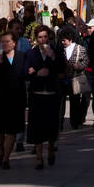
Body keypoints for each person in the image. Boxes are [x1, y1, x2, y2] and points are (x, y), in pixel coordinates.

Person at [0, 30, 29, 171]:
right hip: (0, 98)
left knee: (11, 130)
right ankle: (0, 148)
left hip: (16, 98)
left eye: (7, 41)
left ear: (14, 43)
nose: (4, 44)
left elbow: (25, 74)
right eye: (2, 42)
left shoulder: (22, 56)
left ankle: (6, 158)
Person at [26, 25, 65, 169]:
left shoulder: (56, 51)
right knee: (37, 126)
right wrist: (36, 73)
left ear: (49, 38)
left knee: (51, 125)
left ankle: (50, 150)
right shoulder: (31, 53)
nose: (43, 40)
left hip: (52, 93)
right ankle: (38, 157)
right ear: (36, 39)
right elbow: (26, 71)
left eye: (45, 37)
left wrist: (52, 57)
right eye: (40, 37)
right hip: (36, 94)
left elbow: (61, 70)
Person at [61, 29, 91, 130]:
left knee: (75, 101)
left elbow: (86, 61)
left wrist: (79, 66)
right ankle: (60, 122)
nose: (62, 42)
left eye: (64, 40)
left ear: (70, 40)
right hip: (63, 79)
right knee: (61, 102)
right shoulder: (60, 49)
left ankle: (75, 122)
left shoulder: (80, 49)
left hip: (75, 78)